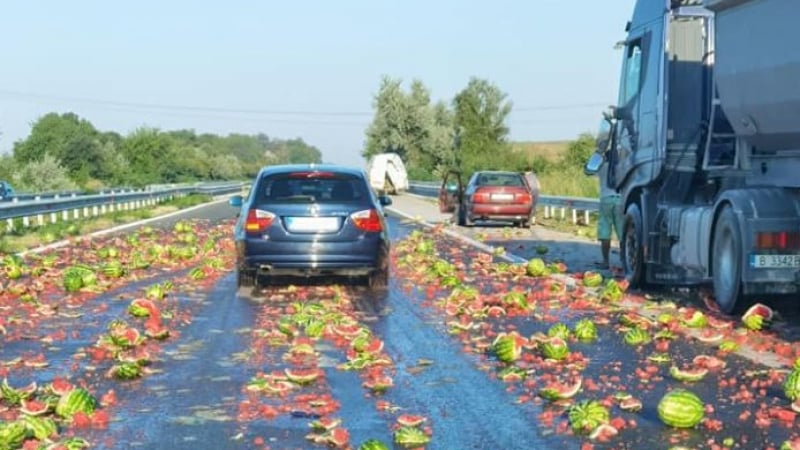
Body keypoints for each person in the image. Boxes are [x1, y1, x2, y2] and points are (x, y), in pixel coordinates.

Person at [596, 158, 623, 270]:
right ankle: (624, 260)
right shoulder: (621, 166)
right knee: (622, 231)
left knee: (605, 230)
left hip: (606, 199)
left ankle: (606, 261)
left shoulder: (602, 167)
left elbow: (589, 170)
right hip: (620, 199)